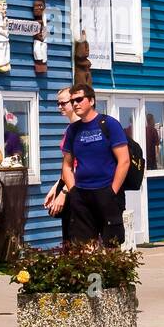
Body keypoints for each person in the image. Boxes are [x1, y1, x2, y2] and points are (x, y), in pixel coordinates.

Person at [59, 84, 131, 246]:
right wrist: (73, 192)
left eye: (79, 99)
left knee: (112, 246)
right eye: (72, 101)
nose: (75, 104)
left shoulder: (109, 124)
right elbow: (67, 165)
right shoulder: (73, 130)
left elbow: (124, 160)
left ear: (91, 100)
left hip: (107, 192)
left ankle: (112, 273)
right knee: (84, 248)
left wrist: (112, 191)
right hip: (82, 194)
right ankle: (91, 273)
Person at [44, 87, 79, 240]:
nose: (59, 107)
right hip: (67, 183)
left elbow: (80, 166)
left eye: (63, 103)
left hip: (77, 188)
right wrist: (57, 185)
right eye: (58, 103)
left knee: (76, 236)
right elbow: (67, 162)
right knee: (68, 236)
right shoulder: (70, 129)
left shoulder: (81, 129)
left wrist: (65, 193)